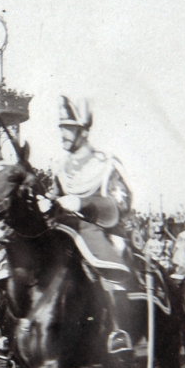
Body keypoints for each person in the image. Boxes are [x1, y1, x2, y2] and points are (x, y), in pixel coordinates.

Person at [49, 95, 135, 353]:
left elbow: (122, 202)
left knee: (111, 257)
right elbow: (55, 197)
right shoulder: (60, 167)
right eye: (62, 128)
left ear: (83, 131)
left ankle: (118, 329)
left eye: (69, 128)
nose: (63, 134)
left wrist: (84, 203)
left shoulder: (105, 163)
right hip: (69, 230)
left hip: (105, 229)